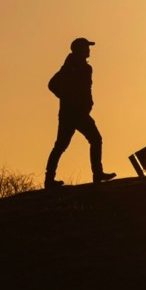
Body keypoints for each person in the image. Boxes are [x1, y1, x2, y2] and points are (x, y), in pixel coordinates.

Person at [45, 37, 116, 187]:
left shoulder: (75, 66)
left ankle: (49, 179)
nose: (89, 50)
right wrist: (67, 98)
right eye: (86, 47)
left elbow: (55, 85)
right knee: (93, 139)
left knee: (62, 145)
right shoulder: (73, 67)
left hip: (73, 112)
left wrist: (69, 99)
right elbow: (53, 84)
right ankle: (97, 174)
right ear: (79, 50)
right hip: (74, 113)